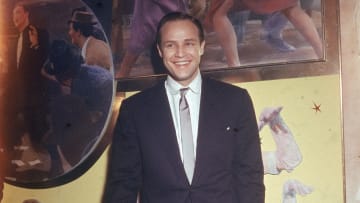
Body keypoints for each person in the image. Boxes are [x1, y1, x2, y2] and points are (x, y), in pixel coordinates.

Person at [103, 12, 265, 203]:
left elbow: (250, 177)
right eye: (170, 45)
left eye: (188, 43)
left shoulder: (236, 101)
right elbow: (122, 185)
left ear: (202, 47)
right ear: (160, 50)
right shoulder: (135, 110)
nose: (180, 53)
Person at [43, 40, 113, 171]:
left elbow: (95, 122)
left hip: (98, 138)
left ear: (65, 78)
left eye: (61, 80)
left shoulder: (93, 85)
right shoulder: (82, 75)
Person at [6, 1, 50, 174]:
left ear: (26, 14)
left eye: (18, 13)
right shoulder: (14, 38)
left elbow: (43, 60)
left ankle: (41, 167)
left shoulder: (38, 34)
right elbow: (13, 70)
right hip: (16, 95)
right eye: (13, 14)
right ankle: (15, 161)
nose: (14, 17)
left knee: (35, 134)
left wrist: (35, 44)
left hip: (33, 96)